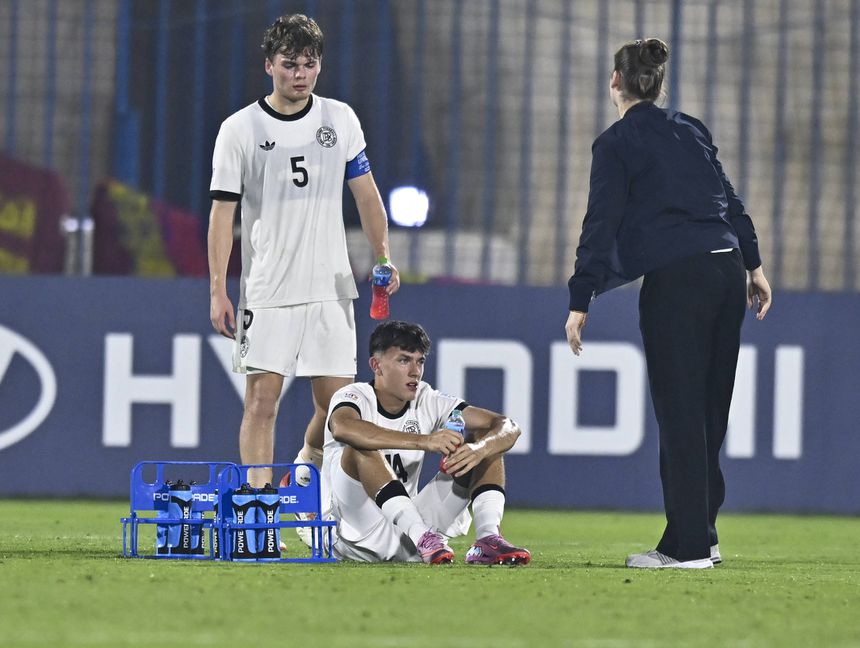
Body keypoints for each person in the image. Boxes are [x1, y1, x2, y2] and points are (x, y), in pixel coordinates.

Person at [565, 39, 772, 569]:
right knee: (709, 412)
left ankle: (689, 549)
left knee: (681, 413)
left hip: (678, 280)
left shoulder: (615, 142)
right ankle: (701, 533)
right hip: (727, 271)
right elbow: (729, 198)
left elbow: (600, 222)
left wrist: (581, 295)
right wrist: (753, 264)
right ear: (658, 85)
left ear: (615, 80)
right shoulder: (691, 129)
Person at [207, 14, 399, 519]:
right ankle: (258, 512)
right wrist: (218, 289)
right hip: (268, 290)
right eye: (290, 64)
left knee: (338, 411)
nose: (300, 74)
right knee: (262, 402)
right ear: (269, 65)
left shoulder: (340, 118)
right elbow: (222, 214)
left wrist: (383, 256)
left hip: (331, 289)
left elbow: (367, 196)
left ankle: (308, 463)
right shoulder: (239, 129)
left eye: (309, 64)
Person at [320, 320, 531, 565]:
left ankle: (488, 538)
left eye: (420, 361)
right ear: (376, 365)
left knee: (488, 440)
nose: (415, 371)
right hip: (354, 537)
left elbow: (508, 426)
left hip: (411, 531)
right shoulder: (353, 396)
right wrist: (425, 441)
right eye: (404, 360)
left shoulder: (427, 398)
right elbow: (343, 428)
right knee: (359, 448)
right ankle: (423, 536)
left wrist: (479, 449)